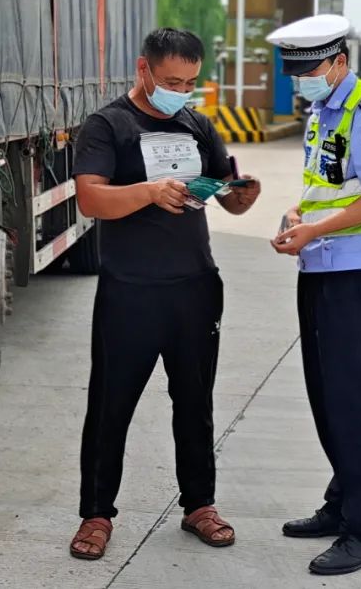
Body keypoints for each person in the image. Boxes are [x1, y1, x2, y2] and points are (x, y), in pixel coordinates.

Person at [68, 28, 261, 561]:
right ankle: (96, 514)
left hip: (194, 286)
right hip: (130, 290)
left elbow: (226, 192)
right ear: (143, 69)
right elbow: (91, 199)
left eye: (190, 83)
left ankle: (200, 505)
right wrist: (150, 192)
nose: (181, 91)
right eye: (172, 81)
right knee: (111, 405)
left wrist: (241, 194)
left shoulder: (197, 125)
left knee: (195, 402)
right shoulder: (108, 125)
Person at [268, 14, 361, 577]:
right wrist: (296, 215)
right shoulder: (322, 112)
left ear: (339, 63)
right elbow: (326, 187)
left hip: (354, 274)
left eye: (309, 71)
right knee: (325, 395)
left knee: (354, 401)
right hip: (318, 266)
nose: (301, 81)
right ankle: (341, 502)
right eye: (295, 74)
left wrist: (316, 230)